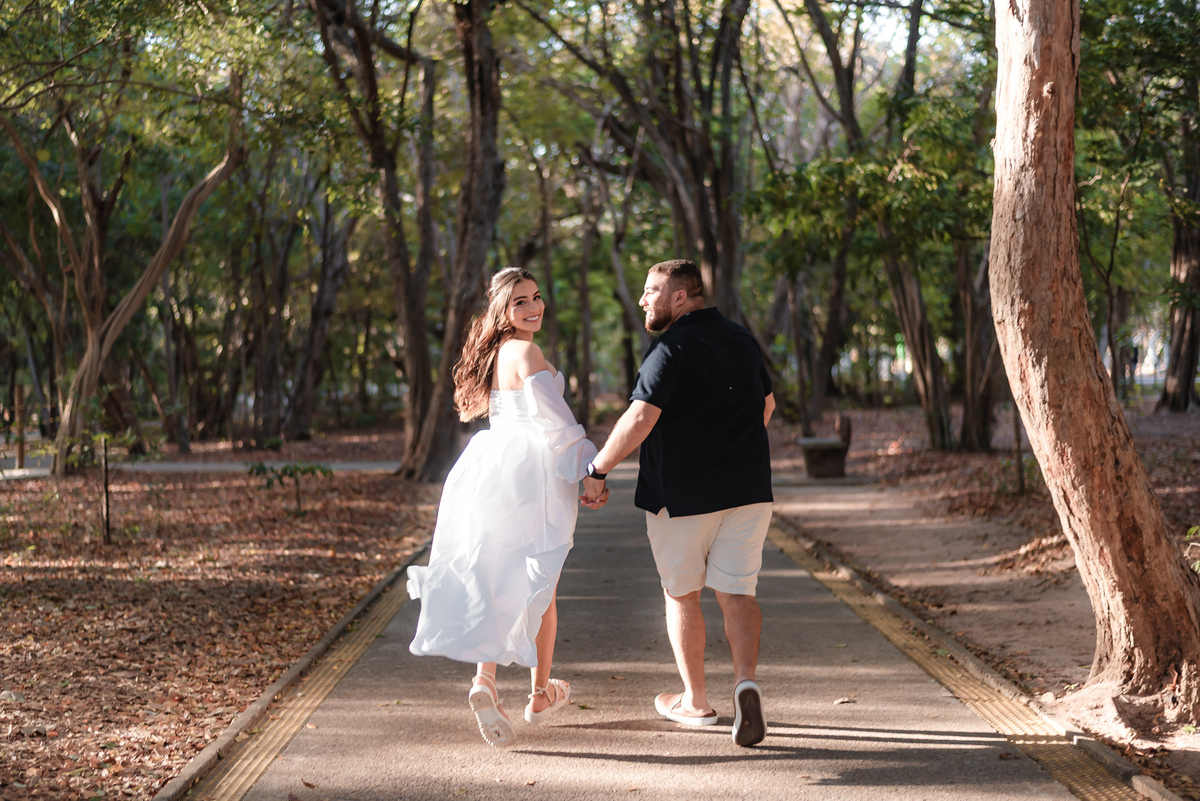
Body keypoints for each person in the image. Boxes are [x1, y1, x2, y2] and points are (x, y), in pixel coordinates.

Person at [581, 259, 775, 747]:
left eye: (652, 291)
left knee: (681, 594)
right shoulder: (742, 339)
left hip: (682, 497)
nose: (645, 300)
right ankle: (745, 684)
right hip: (749, 493)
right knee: (738, 594)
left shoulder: (670, 347)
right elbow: (767, 407)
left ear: (682, 297)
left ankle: (696, 702)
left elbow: (641, 417)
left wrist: (597, 470)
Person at [407, 267, 599, 747]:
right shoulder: (527, 352)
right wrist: (591, 472)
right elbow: (559, 426)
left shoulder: (495, 353)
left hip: (491, 467)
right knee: (542, 582)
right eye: (520, 302)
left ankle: (485, 681)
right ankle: (538, 694)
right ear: (502, 311)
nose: (534, 308)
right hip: (531, 474)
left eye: (536, 297)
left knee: (496, 574)